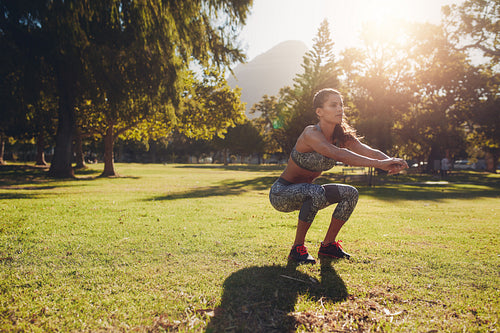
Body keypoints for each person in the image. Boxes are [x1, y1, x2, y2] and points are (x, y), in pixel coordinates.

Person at [269, 88, 408, 265]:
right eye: (333, 105)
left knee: (350, 193)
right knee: (315, 191)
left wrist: (390, 161)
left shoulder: (340, 135)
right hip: (282, 193)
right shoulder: (311, 133)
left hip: (310, 192)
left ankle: (328, 245)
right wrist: (380, 165)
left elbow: (367, 151)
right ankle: (297, 248)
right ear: (319, 112)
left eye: (341, 104)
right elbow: (338, 154)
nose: (340, 109)